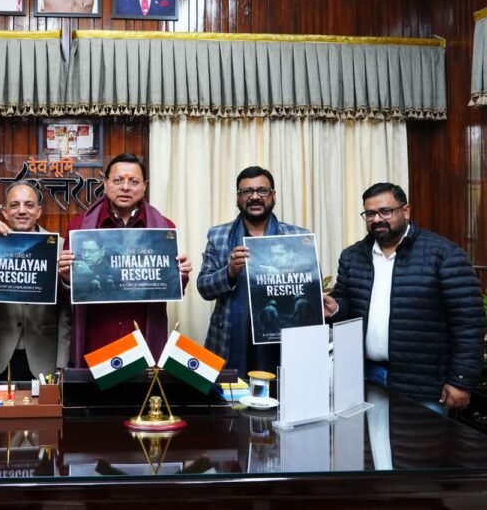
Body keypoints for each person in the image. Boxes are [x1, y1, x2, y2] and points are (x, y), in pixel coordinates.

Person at [324, 182, 485, 410]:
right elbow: (348, 305)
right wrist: (336, 309)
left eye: (385, 211)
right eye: (370, 214)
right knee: (367, 435)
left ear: (406, 211)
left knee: (422, 435)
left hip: (422, 384)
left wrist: (461, 380)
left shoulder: (444, 254)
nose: (377, 219)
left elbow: (468, 323)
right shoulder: (352, 256)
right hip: (365, 377)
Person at [58, 153, 192, 364]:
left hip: (143, 338)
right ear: (105, 183)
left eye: (134, 181)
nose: (125, 187)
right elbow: (66, 295)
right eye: (118, 180)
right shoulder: (79, 228)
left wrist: (180, 275)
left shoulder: (164, 228)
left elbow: (172, 288)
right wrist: (67, 278)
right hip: (97, 337)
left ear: (144, 186)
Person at [198, 166, 308, 374]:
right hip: (231, 338)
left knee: (281, 390)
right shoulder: (218, 235)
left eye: (262, 191)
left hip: (281, 338)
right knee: (229, 394)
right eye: (247, 191)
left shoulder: (297, 237)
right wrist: (229, 272)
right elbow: (204, 287)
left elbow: (310, 286)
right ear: (238, 197)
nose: (255, 197)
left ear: (273, 195)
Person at [0, 181, 71, 380]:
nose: (21, 211)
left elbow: (67, 311)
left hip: (44, 355)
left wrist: (63, 361)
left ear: (38, 211)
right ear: (4, 212)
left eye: (29, 205)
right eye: (14, 205)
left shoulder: (59, 247)